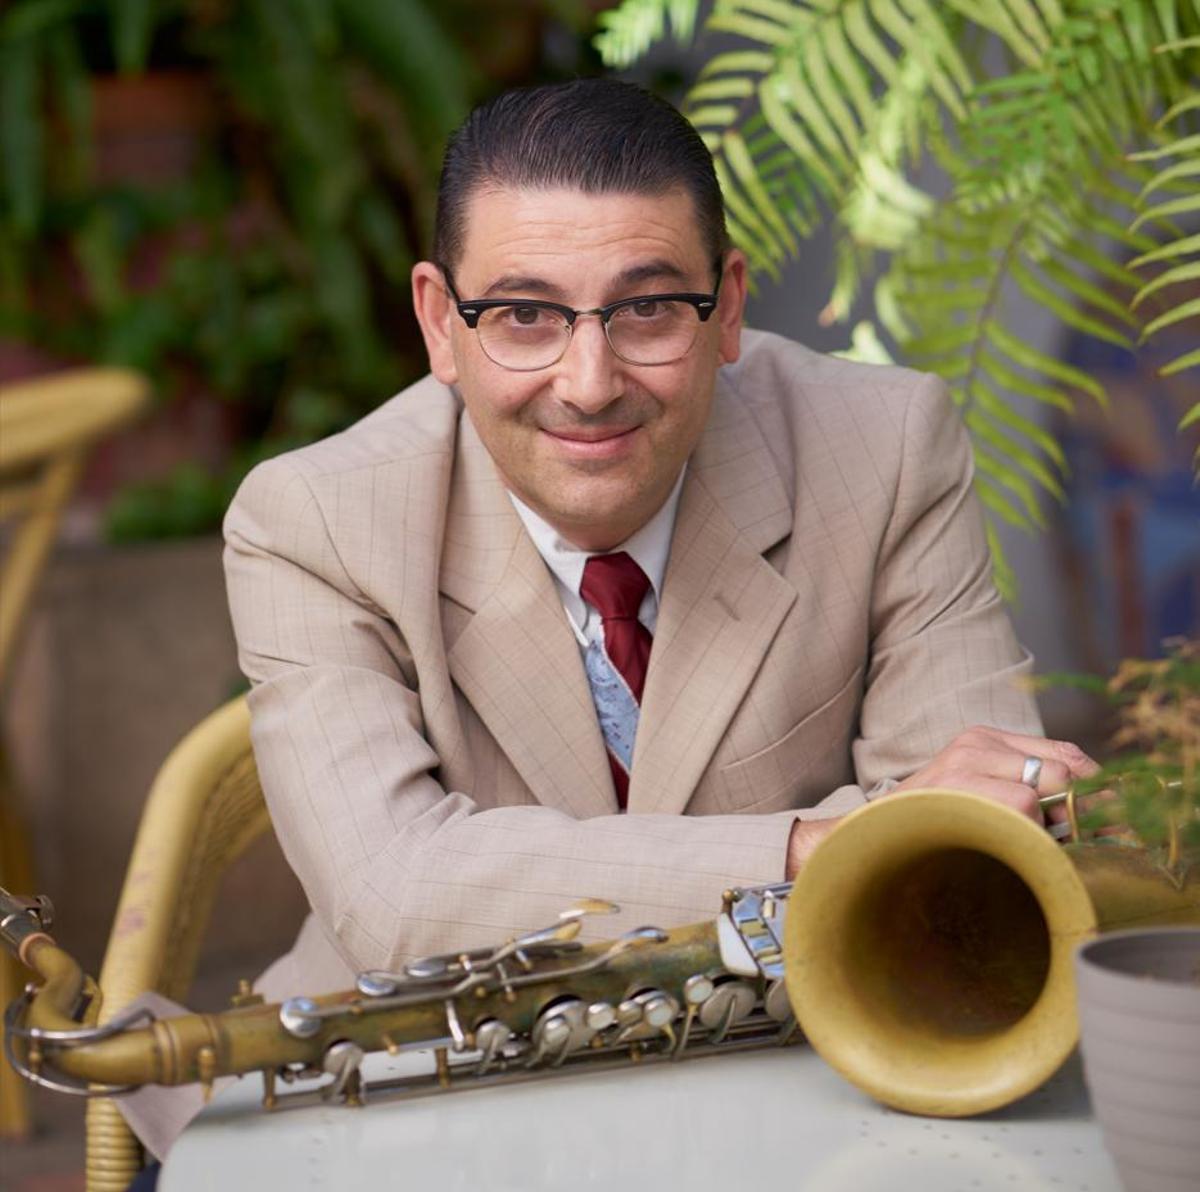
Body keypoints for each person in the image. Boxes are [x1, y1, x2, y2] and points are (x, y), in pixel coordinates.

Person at [223, 78, 1097, 999]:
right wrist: (819, 845)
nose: (590, 383)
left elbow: (969, 851)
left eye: (646, 310)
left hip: (799, 1052)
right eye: (524, 315)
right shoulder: (313, 520)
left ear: (726, 307)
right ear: (442, 323)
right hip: (415, 1071)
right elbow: (393, 898)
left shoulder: (885, 450)